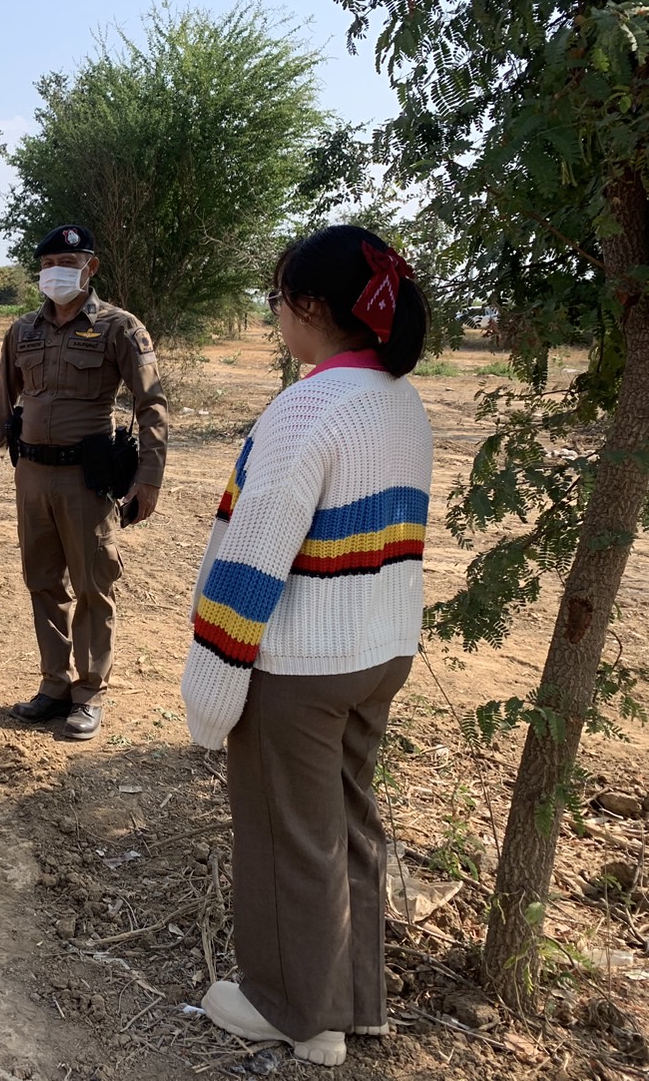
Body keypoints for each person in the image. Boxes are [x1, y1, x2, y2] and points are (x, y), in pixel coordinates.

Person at [180, 225, 433, 1066]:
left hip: (299, 659)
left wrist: (212, 678)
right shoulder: (399, 398)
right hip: (379, 646)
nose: (275, 316)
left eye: (278, 300)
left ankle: (293, 1011)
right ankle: (354, 1002)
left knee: (285, 834)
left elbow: (253, 554)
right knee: (346, 824)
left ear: (312, 308)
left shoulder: (306, 408)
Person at [0, 224, 168, 741]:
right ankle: (54, 684)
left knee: (92, 585)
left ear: (91, 267)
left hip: (87, 480)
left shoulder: (119, 328)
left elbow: (151, 405)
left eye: (67, 262)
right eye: (47, 264)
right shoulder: (22, 330)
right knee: (41, 582)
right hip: (32, 476)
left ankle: (89, 692)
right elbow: (3, 399)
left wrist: (149, 477)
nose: (55, 273)